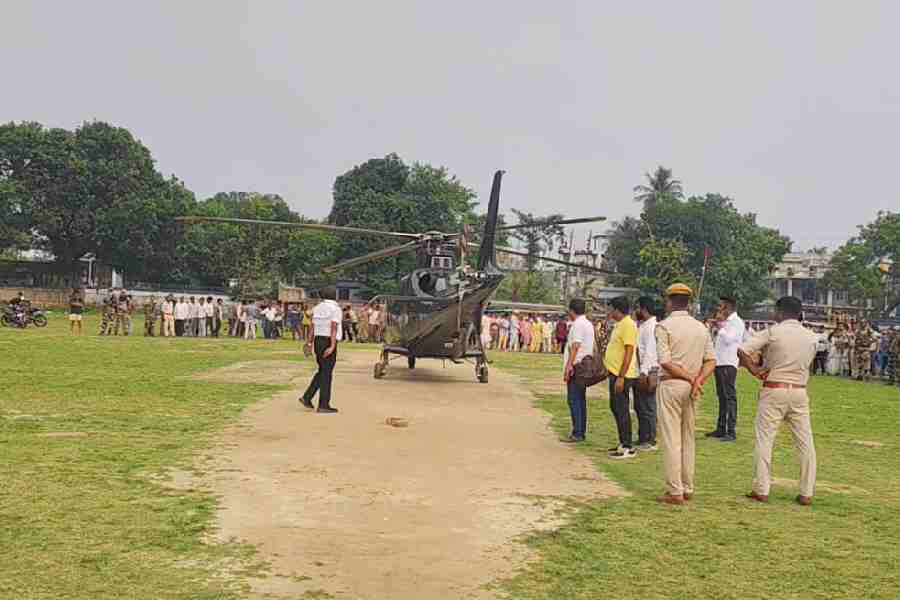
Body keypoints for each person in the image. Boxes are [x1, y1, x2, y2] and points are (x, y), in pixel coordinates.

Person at [738, 296, 818, 506]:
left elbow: (743, 350)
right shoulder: (811, 336)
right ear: (799, 313)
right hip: (800, 391)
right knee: (805, 443)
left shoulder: (773, 332)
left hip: (774, 389)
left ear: (779, 313)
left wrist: (754, 370)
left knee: (765, 440)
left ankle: (762, 489)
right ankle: (806, 492)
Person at [655, 283, 717, 505]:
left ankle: (675, 491)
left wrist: (692, 379)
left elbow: (665, 361)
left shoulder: (664, 326)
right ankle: (687, 486)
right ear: (689, 303)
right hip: (692, 388)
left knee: (672, 439)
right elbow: (711, 360)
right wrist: (698, 379)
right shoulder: (701, 327)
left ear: (669, 301)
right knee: (688, 438)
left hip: (673, 384)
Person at [604, 297, 640, 459]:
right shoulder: (620, 325)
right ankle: (622, 442)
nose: (609, 312)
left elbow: (629, 351)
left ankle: (627, 446)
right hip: (614, 372)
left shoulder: (628, 325)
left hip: (623, 374)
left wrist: (621, 376)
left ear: (617, 310)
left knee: (622, 409)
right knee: (615, 407)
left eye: (611, 309)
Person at [708, 295, 745, 442]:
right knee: (722, 397)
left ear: (728, 307)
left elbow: (730, 339)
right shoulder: (724, 322)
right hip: (719, 362)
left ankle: (731, 431)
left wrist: (720, 327)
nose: (719, 309)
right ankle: (721, 428)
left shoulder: (736, 322)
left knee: (729, 397)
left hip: (729, 363)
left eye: (721, 306)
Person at [300, 289, 343, 413]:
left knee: (322, 370)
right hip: (328, 340)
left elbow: (312, 325)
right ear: (335, 296)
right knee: (327, 373)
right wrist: (332, 346)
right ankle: (323, 404)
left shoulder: (318, 308)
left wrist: (309, 342)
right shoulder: (335, 309)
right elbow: (334, 327)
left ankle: (307, 397)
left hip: (318, 340)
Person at [561, 299, 595, 443]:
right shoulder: (588, 323)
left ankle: (577, 432)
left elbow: (575, 346)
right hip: (585, 365)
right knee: (580, 399)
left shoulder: (577, 325)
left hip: (577, 366)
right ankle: (580, 431)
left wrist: (569, 366)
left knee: (574, 399)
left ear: (571, 310)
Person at [634, 296, 659, 451]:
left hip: (648, 370)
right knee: (640, 405)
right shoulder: (644, 325)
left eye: (638, 308)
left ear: (644, 309)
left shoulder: (651, 327)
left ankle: (649, 439)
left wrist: (644, 372)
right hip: (640, 369)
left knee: (647, 406)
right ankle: (643, 436)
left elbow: (650, 351)